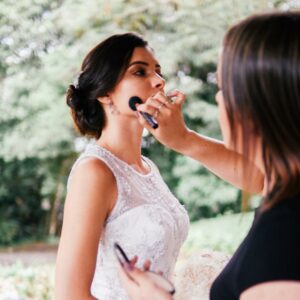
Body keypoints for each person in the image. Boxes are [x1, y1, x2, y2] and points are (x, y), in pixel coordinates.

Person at [118, 11, 300, 300]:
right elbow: (261, 179)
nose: (158, 82)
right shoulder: (287, 198)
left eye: (223, 87)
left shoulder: (284, 242)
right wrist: (185, 139)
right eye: (140, 71)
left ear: (255, 106)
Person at [54, 33, 190, 300]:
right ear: (105, 93)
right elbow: (69, 295)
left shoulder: (148, 168)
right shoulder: (94, 171)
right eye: (140, 72)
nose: (159, 82)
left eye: (158, 72)